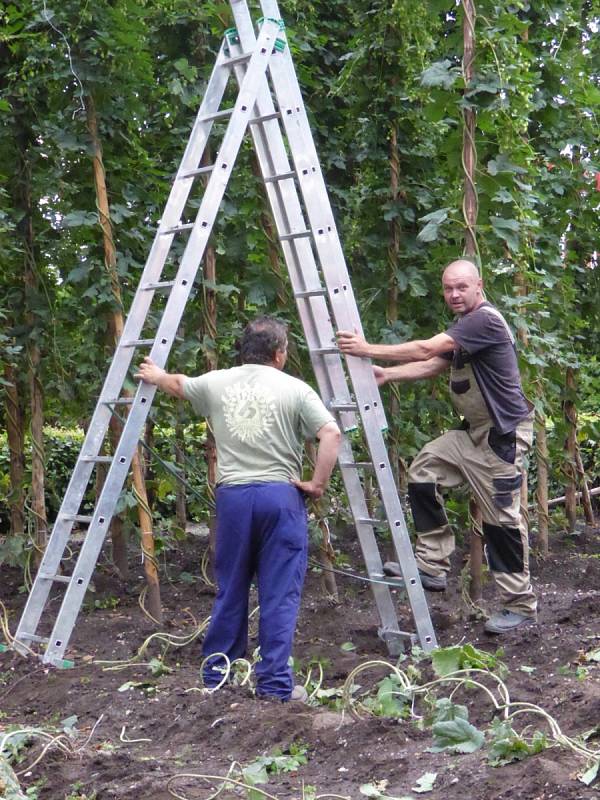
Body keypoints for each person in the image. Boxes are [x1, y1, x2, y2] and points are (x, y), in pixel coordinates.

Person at [136, 316, 341, 700]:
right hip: (280, 497)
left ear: (243, 350)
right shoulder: (296, 389)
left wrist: (156, 374)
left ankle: (217, 676)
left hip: (233, 498)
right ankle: (275, 685)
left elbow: (179, 384)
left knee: (231, 588)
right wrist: (316, 484)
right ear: (279, 354)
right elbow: (331, 433)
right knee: (278, 593)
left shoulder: (216, 382)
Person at [337, 259, 537, 634]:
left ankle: (520, 606)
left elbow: (423, 348)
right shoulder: (465, 330)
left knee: (502, 523)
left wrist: (366, 350)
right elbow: (433, 363)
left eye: (461, 287)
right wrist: (386, 375)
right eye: (448, 288)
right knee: (424, 469)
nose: (454, 294)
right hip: (473, 432)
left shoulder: (485, 321)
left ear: (479, 285)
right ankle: (432, 564)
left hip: (501, 438)